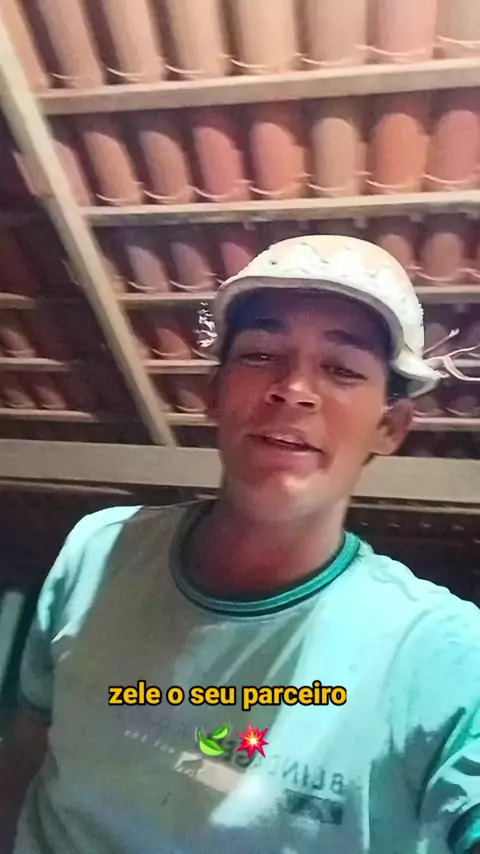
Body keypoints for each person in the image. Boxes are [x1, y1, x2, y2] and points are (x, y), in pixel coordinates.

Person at [1, 235, 479, 854]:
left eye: (341, 368)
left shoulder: (443, 655)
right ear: (214, 394)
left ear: (389, 426)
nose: (293, 388)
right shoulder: (98, 550)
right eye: (260, 354)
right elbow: (30, 748)